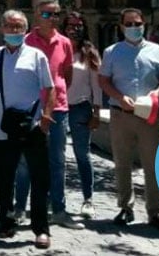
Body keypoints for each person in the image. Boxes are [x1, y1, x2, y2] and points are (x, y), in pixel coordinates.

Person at [0, 10, 55, 250]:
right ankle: (5, 222)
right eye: (10, 26)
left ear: (25, 29)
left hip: (32, 126)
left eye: (19, 27)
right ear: (2, 29)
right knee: (5, 177)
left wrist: (47, 116)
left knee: (40, 179)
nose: (14, 31)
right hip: (4, 126)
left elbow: (49, 88)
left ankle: (41, 229)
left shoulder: (36, 56)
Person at [13, 0, 82, 229]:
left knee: (57, 161)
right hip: (29, 111)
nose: (52, 18)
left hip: (58, 110)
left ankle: (59, 210)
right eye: (46, 14)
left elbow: (66, 75)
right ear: (35, 15)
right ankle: (20, 208)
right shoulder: (25, 42)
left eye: (55, 14)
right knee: (24, 162)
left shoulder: (64, 43)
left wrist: (55, 97)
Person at [99, 7, 159, 232]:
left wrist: (157, 93)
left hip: (148, 115)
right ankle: (125, 208)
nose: (133, 28)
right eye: (128, 24)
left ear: (144, 24)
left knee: (152, 164)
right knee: (122, 163)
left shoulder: (157, 51)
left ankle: (154, 212)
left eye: (137, 23)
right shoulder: (112, 52)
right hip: (121, 115)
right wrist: (119, 98)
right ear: (121, 27)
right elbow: (103, 80)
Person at [63, 12, 101, 219]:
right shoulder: (58, 49)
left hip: (81, 107)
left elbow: (96, 84)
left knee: (82, 155)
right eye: (70, 25)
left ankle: (88, 199)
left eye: (78, 25)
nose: (74, 29)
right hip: (59, 107)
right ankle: (55, 198)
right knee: (56, 156)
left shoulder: (90, 53)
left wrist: (97, 111)